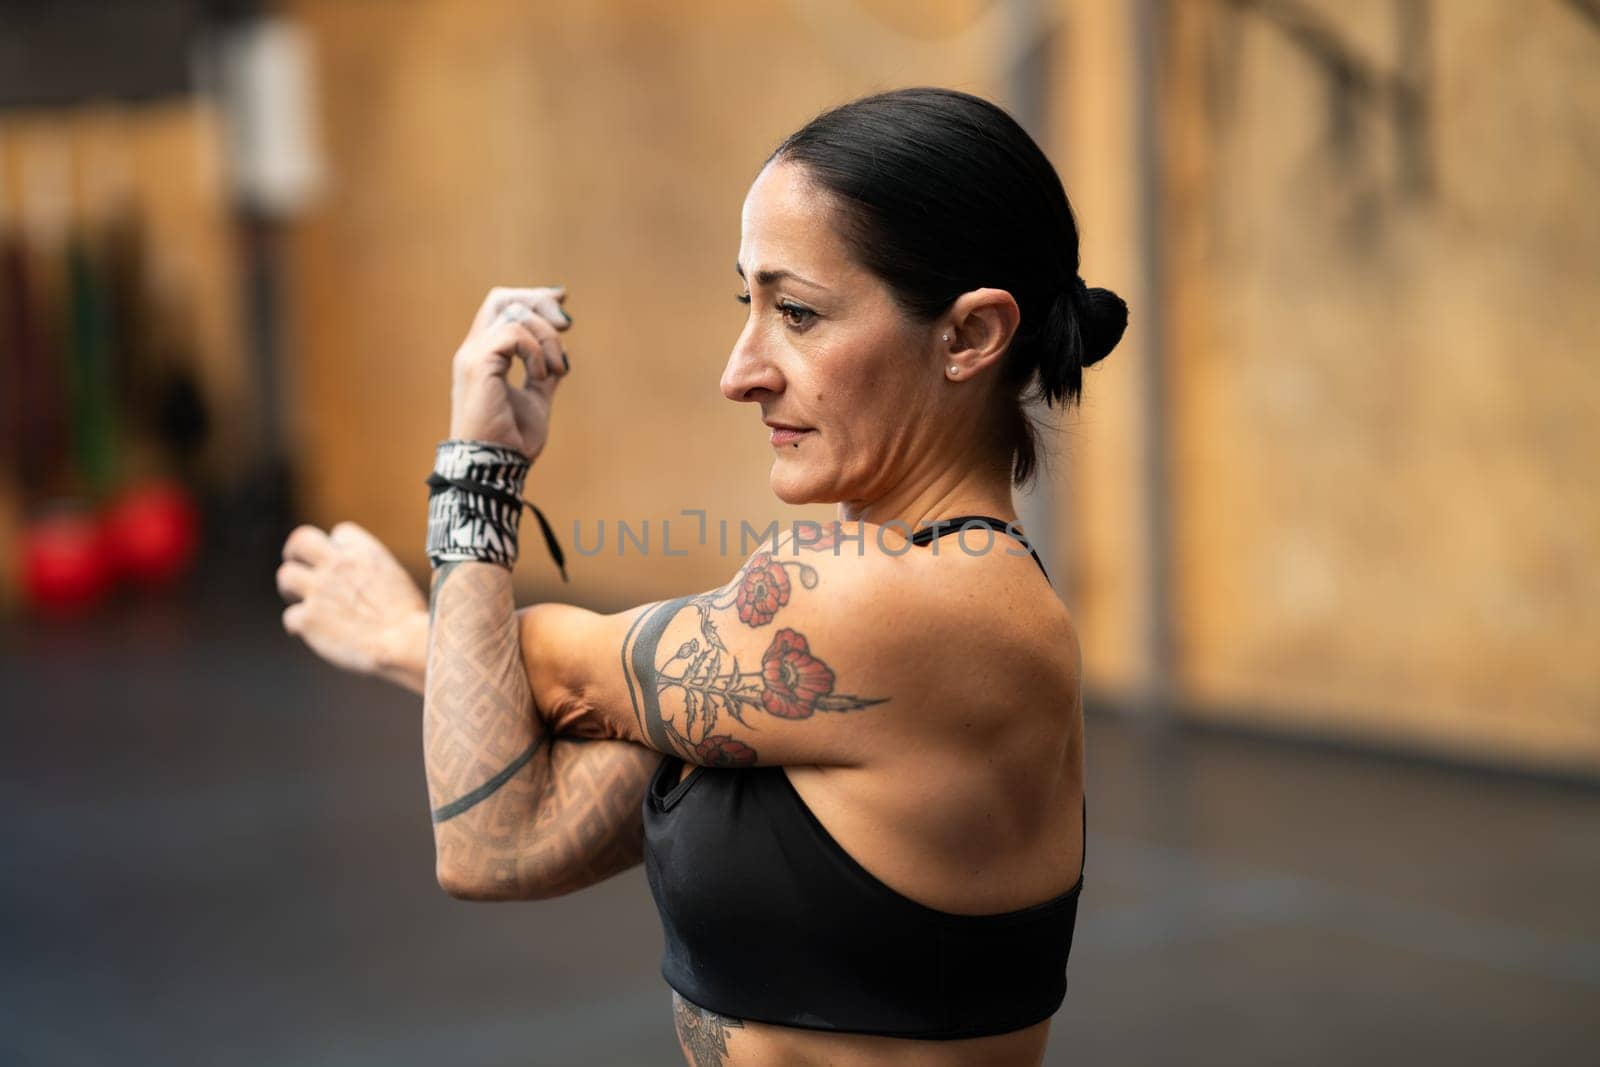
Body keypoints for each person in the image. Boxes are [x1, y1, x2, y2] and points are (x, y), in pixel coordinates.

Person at [279, 87, 1126, 1067]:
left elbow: (539, 704)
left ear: (969, 335)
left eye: (797, 313)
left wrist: (467, 492)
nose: (740, 370)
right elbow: (505, 833)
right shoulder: (833, 640)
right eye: (748, 303)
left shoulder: (894, 609)